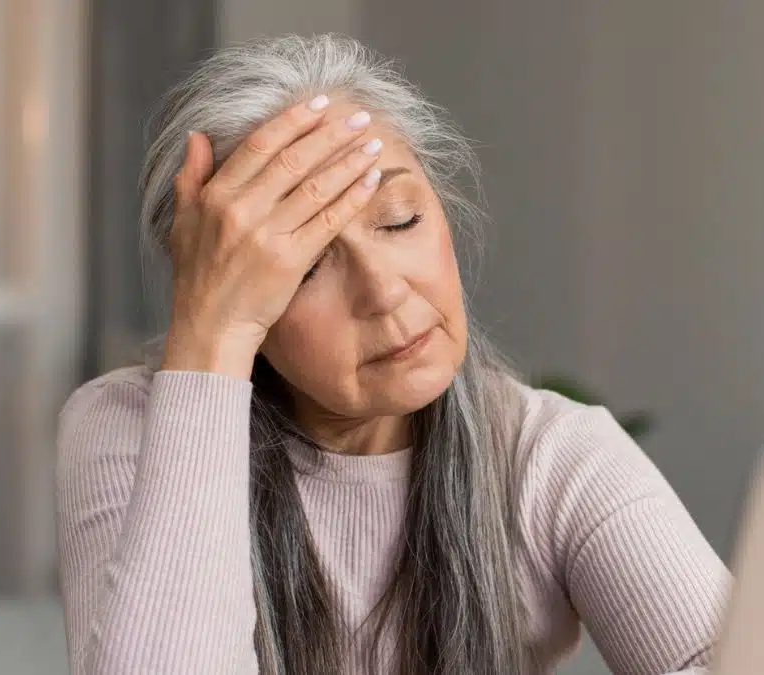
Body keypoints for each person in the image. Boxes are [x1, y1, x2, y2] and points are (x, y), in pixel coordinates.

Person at [56, 34, 729, 675]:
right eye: (305, 266)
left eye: (401, 218)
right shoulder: (127, 430)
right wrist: (209, 340)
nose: (383, 290)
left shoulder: (550, 454)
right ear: (225, 291)